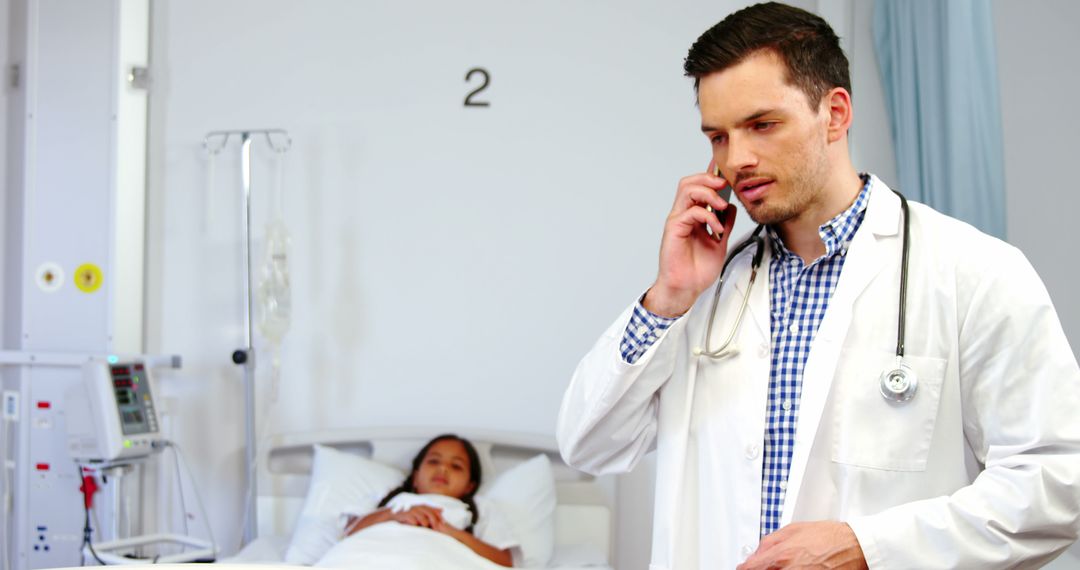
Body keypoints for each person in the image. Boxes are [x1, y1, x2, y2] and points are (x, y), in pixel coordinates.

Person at [556, 2, 1080, 569]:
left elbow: (1057, 482)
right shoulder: (704, 293)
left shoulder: (973, 270)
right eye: (718, 136)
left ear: (834, 113)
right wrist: (669, 296)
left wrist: (869, 548)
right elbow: (589, 443)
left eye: (762, 124)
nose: (737, 161)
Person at [341, 434, 516, 567]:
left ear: (469, 486)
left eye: (456, 466)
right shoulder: (389, 500)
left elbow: (504, 562)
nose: (443, 468)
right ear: (416, 476)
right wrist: (394, 515)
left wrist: (450, 532)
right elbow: (348, 534)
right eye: (433, 461)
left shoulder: (480, 509)